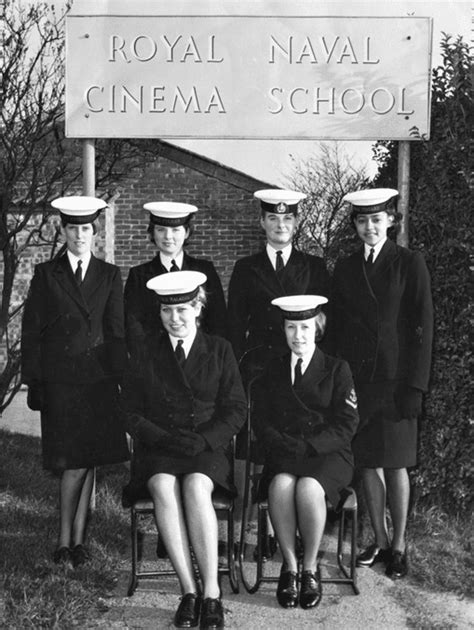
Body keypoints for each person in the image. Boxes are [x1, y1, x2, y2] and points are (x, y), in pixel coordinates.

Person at [120, 271, 246, 630]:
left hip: (205, 447)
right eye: (166, 311)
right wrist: (160, 437)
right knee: (161, 485)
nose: (174, 319)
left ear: (198, 308)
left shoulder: (219, 349)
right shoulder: (146, 351)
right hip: (161, 445)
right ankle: (188, 590)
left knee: (195, 486)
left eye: (182, 311)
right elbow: (129, 411)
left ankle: (212, 592)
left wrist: (206, 439)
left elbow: (236, 409)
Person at [21, 196, 129, 568]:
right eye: (73, 229)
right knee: (72, 462)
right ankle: (64, 539)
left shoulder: (110, 275)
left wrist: (121, 382)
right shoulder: (45, 275)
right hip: (61, 384)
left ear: (95, 232)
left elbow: (116, 333)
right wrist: (34, 381)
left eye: (87, 229)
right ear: (62, 231)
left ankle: (78, 541)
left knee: (90, 461)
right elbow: (32, 331)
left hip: (98, 384)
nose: (80, 235)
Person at [332, 188, 433, 579]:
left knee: (396, 464)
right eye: (362, 220)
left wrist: (416, 386)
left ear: (391, 220)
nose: (370, 227)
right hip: (360, 382)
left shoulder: (410, 263)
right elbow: (338, 331)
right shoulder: (344, 268)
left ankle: (400, 545)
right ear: (355, 225)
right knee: (368, 463)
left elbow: (422, 330)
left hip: (396, 382)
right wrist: (341, 385)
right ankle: (379, 538)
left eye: (377, 219)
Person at [228, 188, 330, 558]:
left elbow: (323, 327)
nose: (280, 225)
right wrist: (238, 376)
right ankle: (265, 532)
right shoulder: (246, 268)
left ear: (297, 223)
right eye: (273, 218)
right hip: (261, 373)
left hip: (301, 373)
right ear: (262, 223)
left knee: (296, 443)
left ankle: (292, 529)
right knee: (263, 447)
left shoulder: (314, 267)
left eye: (287, 219)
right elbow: (235, 326)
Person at [253, 295, 359, 609]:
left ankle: (310, 568)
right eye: (291, 327)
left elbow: (347, 423)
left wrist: (311, 445)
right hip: (286, 451)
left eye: (305, 327)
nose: (298, 335)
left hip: (328, 453)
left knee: (309, 488)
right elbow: (261, 418)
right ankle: (290, 566)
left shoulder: (337, 368)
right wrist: (281, 443)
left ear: (317, 327)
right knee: (281, 485)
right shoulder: (273, 369)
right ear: (283, 330)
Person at [124, 201, 227, 357]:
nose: (168, 237)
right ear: (152, 233)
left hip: (199, 358)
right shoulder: (139, 275)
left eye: (175, 230)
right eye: (161, 230)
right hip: (155, 361)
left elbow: (218, 320)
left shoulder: (204, 270)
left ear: (186, 233)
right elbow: (133, 325)